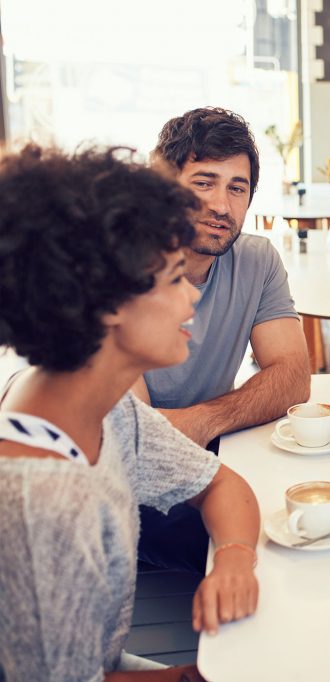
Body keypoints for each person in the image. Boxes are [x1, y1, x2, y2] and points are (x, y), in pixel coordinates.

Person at [0, 145, 260, 680]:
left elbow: (220, 482)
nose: (191, 297)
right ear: (109, 302)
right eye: (171, 279)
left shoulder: (104, 409)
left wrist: (233, 559)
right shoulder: (39, 505)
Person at [134, 107, 309, 573]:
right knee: (283, 550)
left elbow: (293, 376)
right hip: (127, 484)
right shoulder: (123, 266)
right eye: (204, 183)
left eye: (238, 188)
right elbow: (140, 441)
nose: (222, 205)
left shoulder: (256, 260)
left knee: (312, 504)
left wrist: (203, 420)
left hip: (211, 450)